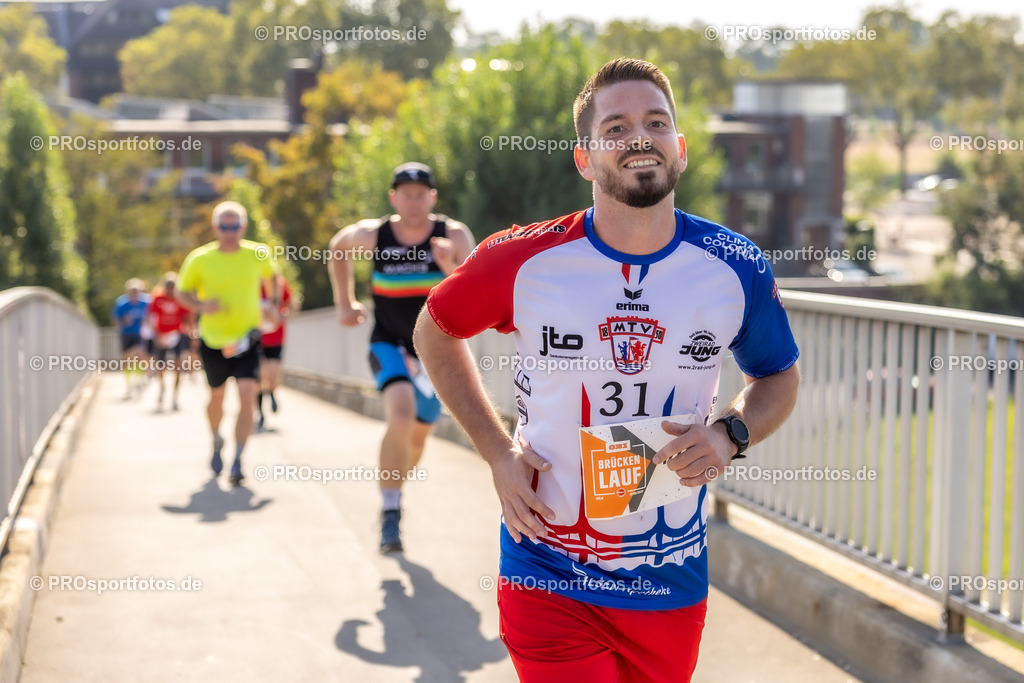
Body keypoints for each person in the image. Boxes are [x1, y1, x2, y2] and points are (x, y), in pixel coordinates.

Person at [413, 58, 801, 682]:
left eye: (656, 122)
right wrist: (495, 451)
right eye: (615, 128)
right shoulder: (523, 259)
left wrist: (731, 433)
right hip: (546, 565)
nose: (639, 138)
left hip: (669, 578)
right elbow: (435, 330)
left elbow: (778, 375)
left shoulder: (735, 265)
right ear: (584, 158)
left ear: (681, 147)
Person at [328, 162, 475, 553]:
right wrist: (345, 303)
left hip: (436, 354)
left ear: (433, 197)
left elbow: (478, 296)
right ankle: (390, 512)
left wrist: (450, 268)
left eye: (421, 193)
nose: (413, 201)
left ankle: (392, 486)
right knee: (401, 414)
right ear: (393, 198)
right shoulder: (375, 234)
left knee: (418, 435)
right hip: (388, 344)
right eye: (405, 194)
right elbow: (337, 248)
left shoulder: (453, 235)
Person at [176, 201, 279, 486]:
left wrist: (272, 302)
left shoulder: (258, 252)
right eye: (224, 225)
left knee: (247, 397)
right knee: (217, 397)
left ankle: (238, 459)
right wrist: (201, 304)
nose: (230, 231)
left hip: (248, 336)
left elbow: (274, 276)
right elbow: (182, 293)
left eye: (235, 226)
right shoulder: (200, 258)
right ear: (215, 227)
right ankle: (216, 438)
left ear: (243, 227)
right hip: (213, 339)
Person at [256, 275, 298, 430]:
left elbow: (293, 304)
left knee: (273, 376)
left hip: (276, 338)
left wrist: (284, 315)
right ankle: (260, 413)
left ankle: (272, 393)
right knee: (260, 377)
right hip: (256, 339)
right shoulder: (250, 284)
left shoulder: (279, 284)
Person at [148, 272, 190, 411]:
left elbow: (187, 317)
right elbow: (152, 318)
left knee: (179, 365)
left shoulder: (181, 299)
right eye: (169, 286)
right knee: (161, 366)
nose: (171, 289)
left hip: (177, 335)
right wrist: (157, 336)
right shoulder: (157, 299)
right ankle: (162, 388)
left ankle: (175, 396)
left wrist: (189, 332)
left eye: (174, 286)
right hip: (161, 336)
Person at [112, 278, 151, 399]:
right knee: (127, 359)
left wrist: (148, 323)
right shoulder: (121, 303)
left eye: (137, 291)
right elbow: (115, 320)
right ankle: (129, 384)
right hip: (126, 333)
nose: (135, 293)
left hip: (140, 334)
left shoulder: (146, 302)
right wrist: (124, 321)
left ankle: (140, 379)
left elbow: (153, 316)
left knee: (139, 355)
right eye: (132, 291)